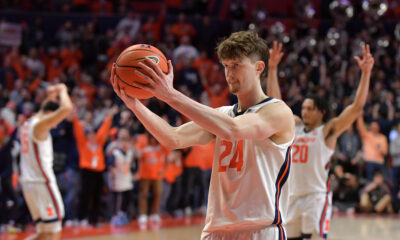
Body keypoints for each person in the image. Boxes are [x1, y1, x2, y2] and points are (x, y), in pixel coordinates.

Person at [111, 30, 295, 239]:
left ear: (259, 68)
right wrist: (134, 104)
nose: (229, 73)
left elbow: (233, 129)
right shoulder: (222, 114)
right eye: (226, 66)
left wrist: (171, 96)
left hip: (260, 230)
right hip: (216, 230)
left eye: (236, 65)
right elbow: (173, 138)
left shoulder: (277, 111)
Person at [266, 42, 374, 240]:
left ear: (321, 112)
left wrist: (366, 74)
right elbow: (276, 105)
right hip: (292, 196)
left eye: (309, 108)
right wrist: (272, 68)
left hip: (316, 197)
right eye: (304, 108)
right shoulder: (295, 126)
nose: (304, 111)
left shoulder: (327, 130)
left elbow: (356, 108)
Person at [19, 84, 73, 240]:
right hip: (41, 183)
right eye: (54, 119)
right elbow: (66, 109)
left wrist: (51, 95)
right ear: (50, 114)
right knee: (54, 231)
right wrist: (63, 89)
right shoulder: (40, 125)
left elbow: (45, 108)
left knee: (43, 233)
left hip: (29, 184)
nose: (55, 124)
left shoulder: (28, 122)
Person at [356, 116, 388, 181]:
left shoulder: (383, 138)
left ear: (378, 127)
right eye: (373, 126)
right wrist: (359, 116)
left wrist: (379, 147)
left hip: (380, 162)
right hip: (369, 162)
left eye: (375, 126)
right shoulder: (366, 135)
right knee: (369, 179)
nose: (374, 128)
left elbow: (385, 152)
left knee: (384, 180)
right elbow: (360, 127)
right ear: (370, 127)